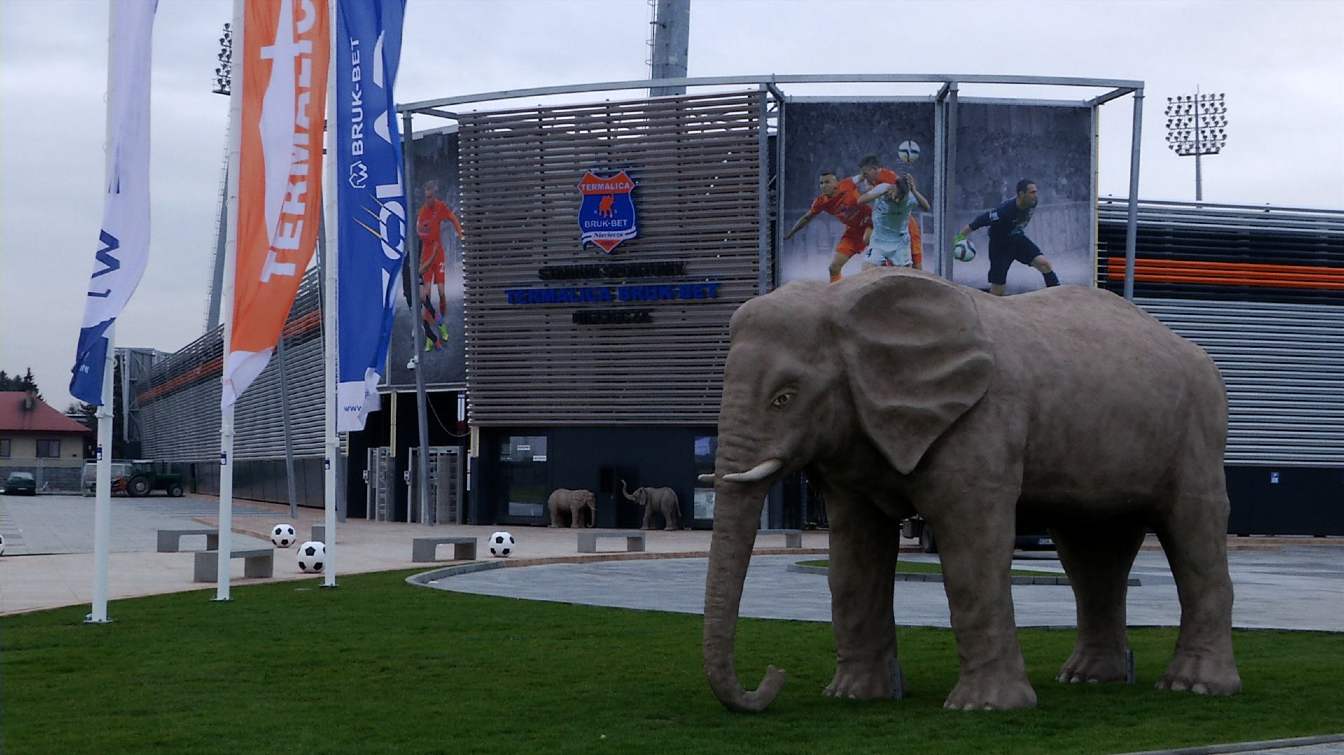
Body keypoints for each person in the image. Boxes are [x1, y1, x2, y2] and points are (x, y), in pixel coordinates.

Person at [957, 178, 1059, 296]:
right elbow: (977, 223)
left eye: (1036, 192)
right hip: (1000, 247)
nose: (1035, 195)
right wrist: (958, 239)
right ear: (1021, 194)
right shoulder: (1003, 212)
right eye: (1032, 192)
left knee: (1044, 265)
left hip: (1018, 240)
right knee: (998, 292)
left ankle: (1058, 297)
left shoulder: (1033, 202)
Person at [783, 170, 873, 283]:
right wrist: (792, 232)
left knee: (868, 241)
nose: (823, 186)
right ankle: (836, 295)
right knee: (833, 268)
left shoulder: (847, 183)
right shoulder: (821, 202)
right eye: (821, 183)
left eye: (827, 182)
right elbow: (806, 218)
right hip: (853, 231)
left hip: (871, 223)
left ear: (836, 183)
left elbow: (865, 175)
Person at [416, 180, 464, 351]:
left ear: (434, 195)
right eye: (427, 197)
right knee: (426, 296)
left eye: (431, 196)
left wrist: (460, 233)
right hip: (427, 256)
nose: (429, 200)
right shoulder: (422, 213)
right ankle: (430, 334)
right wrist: (425, 232)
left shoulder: (440, 207)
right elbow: (420, 233)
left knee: (442, 294)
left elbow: (452, 218)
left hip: (439, 255)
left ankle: (441, 324)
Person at [856, 155, 925, 269]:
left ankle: (917, 279)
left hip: (902, 222)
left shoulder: (888, 178)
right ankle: (885, 263)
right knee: (867, 239)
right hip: (884, 219)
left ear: (873, 169)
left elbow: (901, 195)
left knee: (916, 262)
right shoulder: (874, 181)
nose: (864, 177)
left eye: (865, 173)